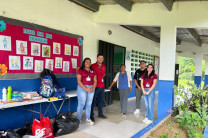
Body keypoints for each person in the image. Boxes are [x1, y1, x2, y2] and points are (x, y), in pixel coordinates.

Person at [76, 58, 97, 125]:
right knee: (81, 103)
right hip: (82, 87)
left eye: (89, 62)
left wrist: (93, 88)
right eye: (86, 62)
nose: (88, 63)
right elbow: (79, 81)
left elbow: (95, 80)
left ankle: (88, 119)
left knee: (89, 104)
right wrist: (86, 88)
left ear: (90, 63)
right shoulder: (80, 70)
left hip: (91, 88)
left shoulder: (93, 71)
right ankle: (78, 119)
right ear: (84, 63)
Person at [90, 54, 107, 122]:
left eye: (102, 58)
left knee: (100, 100)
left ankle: (100, 114)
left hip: (102, 86)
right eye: (99, 58)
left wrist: (101, 78)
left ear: (103, 59)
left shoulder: (104, 66)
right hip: (95, 86)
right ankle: (91, 115)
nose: (100, 59)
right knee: (93, 101)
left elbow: (104, 74)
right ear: (97, 58)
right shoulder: (93, 66)